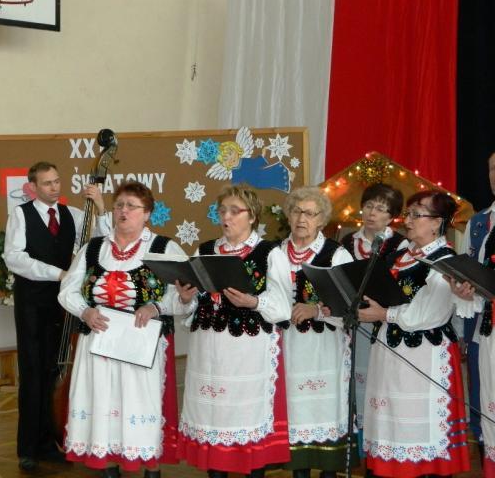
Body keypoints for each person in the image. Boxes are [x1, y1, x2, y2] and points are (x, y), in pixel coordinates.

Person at [57, 181, 193, 478]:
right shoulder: (94, 248)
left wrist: (156, 307)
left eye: (132, 206)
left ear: (147, 214)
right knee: (102, 402)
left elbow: (182, 296)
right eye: (119, 205)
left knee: (140, 405)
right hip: (99, 345)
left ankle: (151, 469)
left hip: (141, 347)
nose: (123, 211)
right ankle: (109, 468)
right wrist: (85, 311)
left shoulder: (163, 248)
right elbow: (68, 290)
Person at [177, 185, 292, 478]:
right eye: (222, 211)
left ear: (251, 216)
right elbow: (193, 303)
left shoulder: (269, 253)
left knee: (244, 418)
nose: (226, 217)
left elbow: (282, 308)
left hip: (247, 351)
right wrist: (186, 298)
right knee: (212, 417)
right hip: (208, 350)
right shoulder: (205, 251)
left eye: (234, 211)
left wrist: (254, 302)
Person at [358, 190, 475, 477]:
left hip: (424, 357)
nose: (408, 220)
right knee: (392, 426)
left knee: (420, 434)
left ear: (437, 223)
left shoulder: (446, 261)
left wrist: (383, 314)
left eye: (416, 214)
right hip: (390, 353)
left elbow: (426, 314)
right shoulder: (398, 255)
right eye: (407, 214)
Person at [3, 161, 109, 471]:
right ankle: (27, 448)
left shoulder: (73, 214)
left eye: (57, 181)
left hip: (63, 305)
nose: (54, 187)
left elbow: (102, 242)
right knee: (32, 374)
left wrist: (100, 206)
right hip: (32, 305)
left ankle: (49, 444)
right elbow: (14, 258)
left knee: (53, 373)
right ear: (32, 187)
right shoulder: (20, 215)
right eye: (47, 183)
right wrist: (59, 273)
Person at [276, 186, 357, 478]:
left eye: (310, 214)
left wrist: (317, 310)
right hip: (284, 348)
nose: (302, 219)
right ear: (288, 215)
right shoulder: (274, 252)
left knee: (323, 412)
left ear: (322, 220)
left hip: (324, 350)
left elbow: (351, 306)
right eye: (297, 211)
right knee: (293, 415)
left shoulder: (336, 254)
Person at [339, 182, 406, 463]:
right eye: (368, 206)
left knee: (377, 386)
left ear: (392, 216)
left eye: (380, 208)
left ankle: (381, 449)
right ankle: (357, 449)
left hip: (382, 325)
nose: (372, 213)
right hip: (350, 325)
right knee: (352, 384)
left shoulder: (400, 245)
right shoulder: (346, 242)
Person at [459, 152, 495, 467]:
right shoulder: (478, 222)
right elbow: (465, 271)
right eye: (493, 168)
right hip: (482, 327)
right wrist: (462, 288)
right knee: (482, 395)